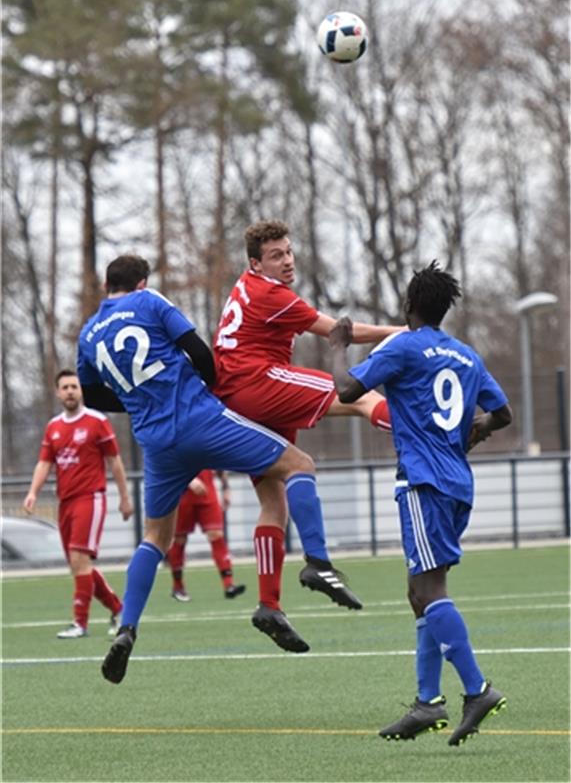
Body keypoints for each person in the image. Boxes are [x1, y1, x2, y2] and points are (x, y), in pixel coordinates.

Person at [77, 254, 356, 684]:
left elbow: (94, 396)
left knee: (156, 537)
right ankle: (317, 561)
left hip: (154, 440)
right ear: (140, 282)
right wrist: (206, 387)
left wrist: (137, 402)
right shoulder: (149, 301)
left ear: (107, 286)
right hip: (199, 418)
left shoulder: (88, 334)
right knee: (298, 465)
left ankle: (128, 628)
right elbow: (197, 349)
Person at [329, 260, 513, 747]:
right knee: (421, 593)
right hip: (457, 484)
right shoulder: (467, 355)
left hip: (423, 483)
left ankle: (477, 689)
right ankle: (427, 702)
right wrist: (479, 429)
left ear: (409, 305)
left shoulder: (404, 347)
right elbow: (504, 413)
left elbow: (347, 390)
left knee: (428, 591)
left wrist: (339, 348)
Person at [213, 219, 402, 617]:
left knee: (273, 502)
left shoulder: (246, 286)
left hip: (234, 396)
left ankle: (269, 606)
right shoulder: (269, 293)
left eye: (288, 251)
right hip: (257, 384)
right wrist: (403, 331)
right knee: (362, 397)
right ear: (255, 263)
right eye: (275, 255)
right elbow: (340, 332)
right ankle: (318, 561)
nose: (286, 261)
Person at [23, 369, 134, 639]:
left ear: (80, 390)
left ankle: (80, 623)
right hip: (66, 502)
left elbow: (115, 462)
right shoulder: (54, 427)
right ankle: (118, 609)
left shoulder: (97, 421)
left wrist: (124, 497)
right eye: (65, 387)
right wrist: (33, 492)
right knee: (78, 565)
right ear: (58, 392)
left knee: (78, 559)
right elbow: (44, 463)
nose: (70, 391)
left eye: (74, 386)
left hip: (91, 497)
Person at [166, 470, 246, 602]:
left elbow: (219, 460)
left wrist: (226, 488)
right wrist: (189, 480)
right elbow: (167, 461)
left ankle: (229, 584)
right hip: (182, 495)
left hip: (208, 493)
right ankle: (178, 586)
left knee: (216, 535)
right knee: (180, 539)